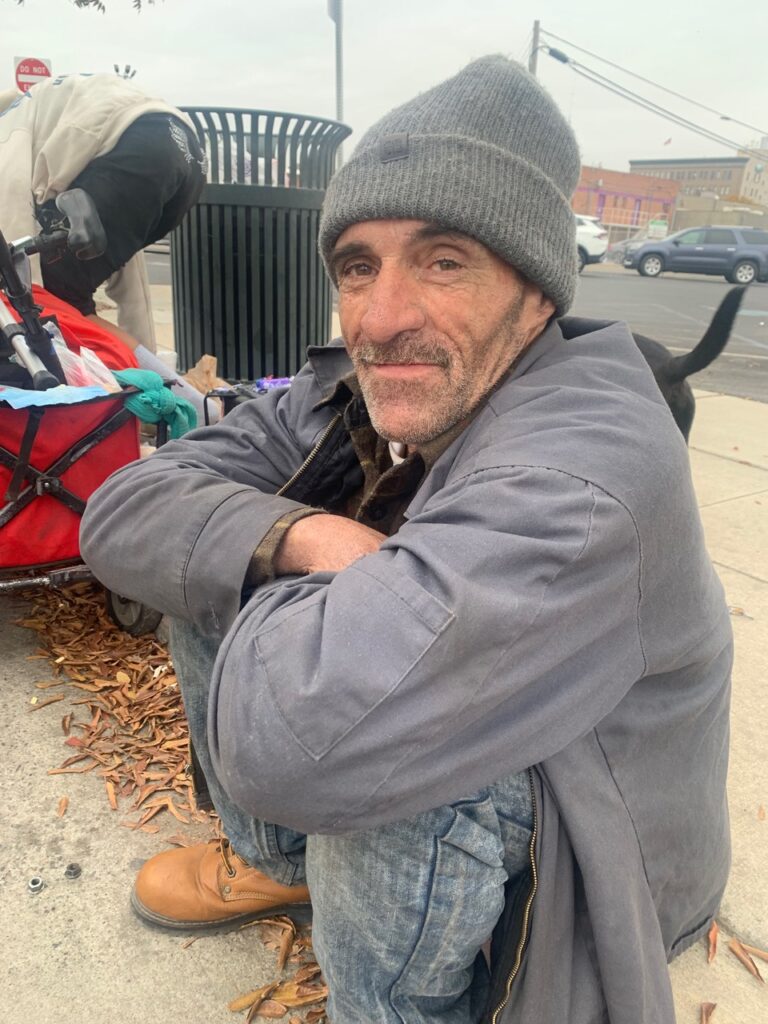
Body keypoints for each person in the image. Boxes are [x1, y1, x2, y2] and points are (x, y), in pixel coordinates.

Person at [80, 56, 732, 1024]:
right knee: (234, 558)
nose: (382, 319)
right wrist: (307, 535)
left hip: (597, 844)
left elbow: (297, 738)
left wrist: (269, 564)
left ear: (538, 291)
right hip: (441, 705)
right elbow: (122, 511)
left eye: (444, 260)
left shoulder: (581, 469)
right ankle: (279, 864)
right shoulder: (359, 387)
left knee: (374, 742)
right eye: (358, 266)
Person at [0, 72, 205, 354]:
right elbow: (125, 263)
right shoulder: (41, 110)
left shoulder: (7, 129)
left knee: (57, 304)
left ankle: (162, 383)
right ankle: (157, 377)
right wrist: (144, 341)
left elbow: (12, 221)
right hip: (186, 154)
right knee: (68, 293)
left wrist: (29, 313)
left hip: (140, 142)